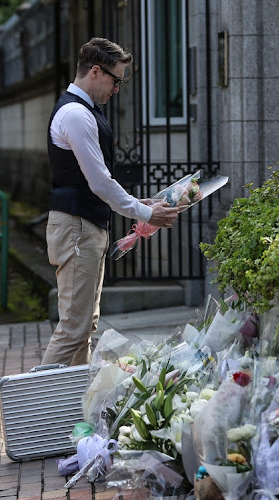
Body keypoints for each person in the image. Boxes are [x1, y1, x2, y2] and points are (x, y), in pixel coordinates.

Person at [41, 37, 181, 366]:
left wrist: (140, 203)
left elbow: (98, 181)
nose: (117, 89)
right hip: (76, 228)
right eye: (116, 80)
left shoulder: (83, 111)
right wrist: (146, 211)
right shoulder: (76, 114)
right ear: (95, 71)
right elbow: (99, 181)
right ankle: (33, 409)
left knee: (83, 327)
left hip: (83, 226)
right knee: (73, 329)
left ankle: (75, 409)